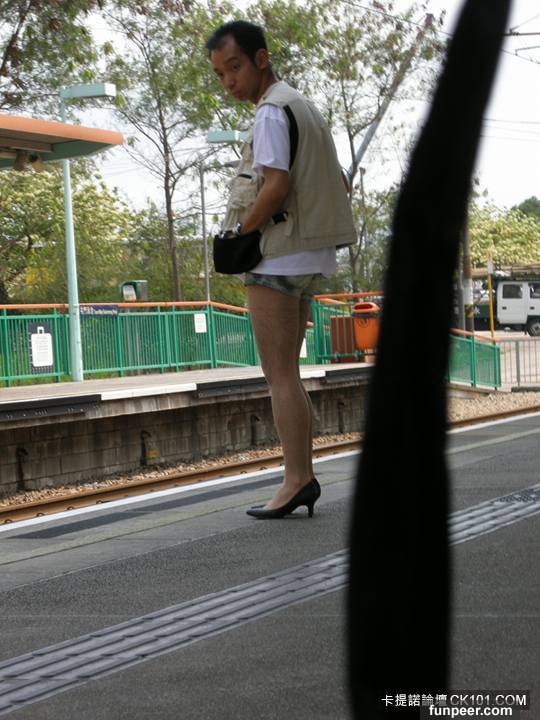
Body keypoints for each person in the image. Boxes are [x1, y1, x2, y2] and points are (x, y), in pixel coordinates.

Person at [206, 20, 357, 518]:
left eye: (234, 67)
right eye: (220, 73)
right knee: (288, 372)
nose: (229, 81)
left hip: (278, 255)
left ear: (261, 58)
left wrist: (240, 234)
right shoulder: (303, 106)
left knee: (280, 374)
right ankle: (301, 476)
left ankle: (296, 480)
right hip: (310, 254)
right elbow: (337, 180)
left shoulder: (272, 111)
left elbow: (275, 185)